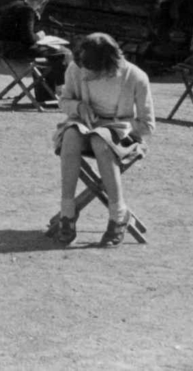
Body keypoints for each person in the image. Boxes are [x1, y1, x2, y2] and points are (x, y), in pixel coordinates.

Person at [50, 32, 154, 248]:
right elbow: (65, 100)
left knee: (100, 140)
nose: (84, 74)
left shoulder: (135, 77)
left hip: (119, 134)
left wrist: (119, 125)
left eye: (91, 70)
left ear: (108, 65)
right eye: (82, 67)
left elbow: (147, 125)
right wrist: (78, 107)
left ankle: (118, 215)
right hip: (83, 127)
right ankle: (68, 212)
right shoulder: (76, 68)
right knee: (70, 135)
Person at [0, 0, 71, 103]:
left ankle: (47, 95)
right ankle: (60, 91)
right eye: (41, 3)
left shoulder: (14, 5)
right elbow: (28, 39)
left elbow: (19, 33)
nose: (40, 6)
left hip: (7, 48)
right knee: (63, 53)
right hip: (17, 50)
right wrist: (40, 36)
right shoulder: (27, 10)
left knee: (53, 55)